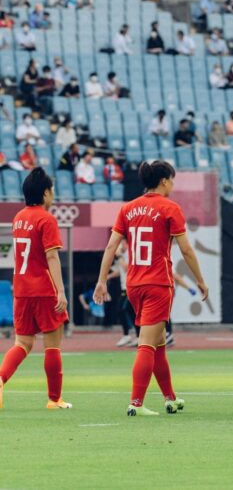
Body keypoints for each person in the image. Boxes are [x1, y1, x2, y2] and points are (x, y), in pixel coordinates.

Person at [93, 161, 209, 416]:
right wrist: (200, 280)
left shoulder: (128, 208)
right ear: (165, 180)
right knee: (147, 343)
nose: (173, 185)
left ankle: (170, 397)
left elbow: (111, 247)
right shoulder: (170, 208)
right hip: (158, 283)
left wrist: (102, 280)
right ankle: (136, 403)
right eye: (172, 180)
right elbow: (186, 249)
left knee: (158, 344)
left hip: (134, 284)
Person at [0, 168, 71, 410]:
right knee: (52, 345)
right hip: (42, 288)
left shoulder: (19, 217)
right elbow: (52, 257)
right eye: (52, 191)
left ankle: (0, 378)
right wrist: (61, 291)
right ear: (45, 193)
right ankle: (54, 399)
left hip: (21, 288)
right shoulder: (46, 218)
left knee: (22, 343)